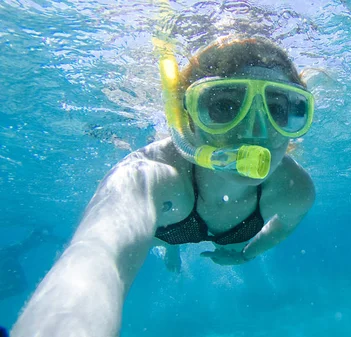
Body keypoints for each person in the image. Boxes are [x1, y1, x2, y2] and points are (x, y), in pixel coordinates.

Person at [11, 35, 316, 336]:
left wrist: (246, 255)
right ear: (186, 119)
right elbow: (97, 255)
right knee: (168, 243)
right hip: (167, 230)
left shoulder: (294, 189)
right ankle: (170, 250)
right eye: (225, 105)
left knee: (212, 241)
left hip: (202, 229)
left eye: (277, 110)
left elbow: (283, 227)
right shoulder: (148, 177)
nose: (256, 130)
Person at [0, 227, 62, 300]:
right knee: (20, 287)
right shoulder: (8, 254)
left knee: (20, 287)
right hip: (7, 259)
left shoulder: (8, 254)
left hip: (7, 259)